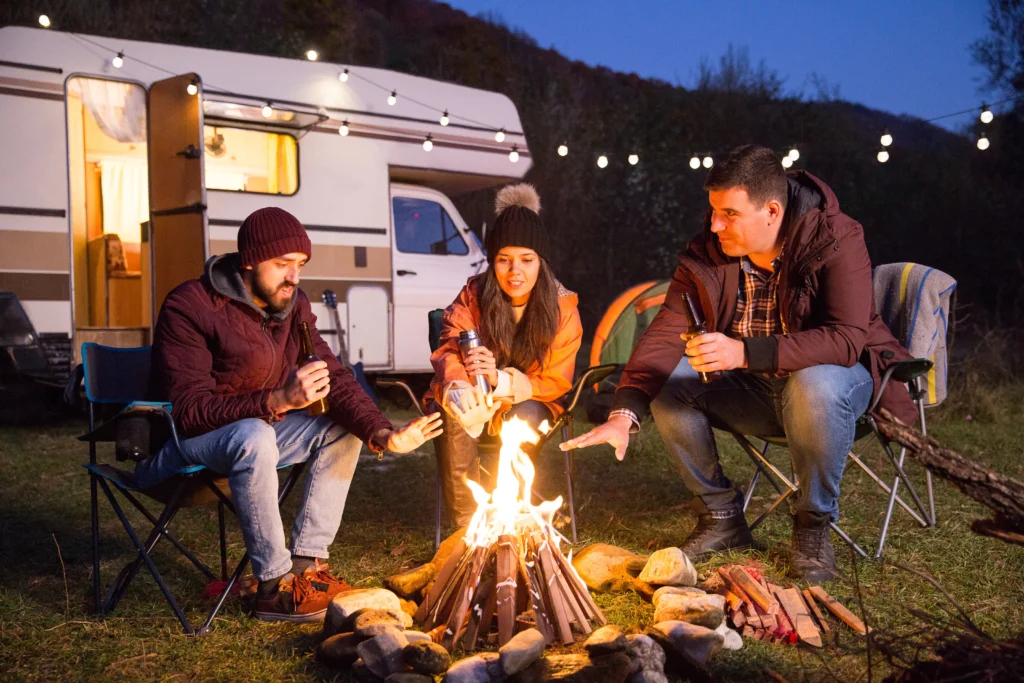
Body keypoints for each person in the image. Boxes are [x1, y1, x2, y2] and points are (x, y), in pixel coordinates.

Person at [562, 145, 917, 582]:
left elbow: (845, 341)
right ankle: (722, 517)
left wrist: (743, 352)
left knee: (815, 383)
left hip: (837, 389)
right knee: (673, 381)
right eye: (713, 212)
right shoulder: (707, 252)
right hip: (755, 390)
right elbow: (663, 333)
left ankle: (812, 525)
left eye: (729, 214)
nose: (714, 225)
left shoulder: (836, 238)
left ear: (771, 211)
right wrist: (624, 412)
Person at [138, 207, 442, 622]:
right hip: (181, 445)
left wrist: (383, 432)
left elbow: (332, 375)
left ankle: (307, 568)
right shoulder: (190, 306)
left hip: (254, 434)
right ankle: (273, 586)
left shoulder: (292, 306)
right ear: (248, 261)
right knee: (253, 435)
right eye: (282, 265)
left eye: (299, 265)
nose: (294, 278)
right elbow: (189, 412)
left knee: (341, 428)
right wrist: (276, 401)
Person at [428, 184, 583, 526]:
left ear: (540, 262)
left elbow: (556, 380)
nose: (516, 272)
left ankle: (508, 514)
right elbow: (450, 346)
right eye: (504, 260)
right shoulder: (474, 295)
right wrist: (458, 385)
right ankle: (466, 526)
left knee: (523, 415)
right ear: (492, 262)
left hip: (531, 400)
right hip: (475, 395)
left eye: (526, 260)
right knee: (452, 406)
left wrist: (500, 380)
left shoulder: (562, 308)